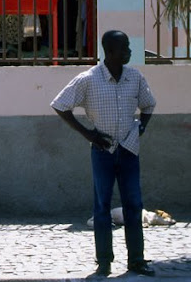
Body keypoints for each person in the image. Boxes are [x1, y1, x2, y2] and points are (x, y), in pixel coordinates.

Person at [50, 30, 156, 278]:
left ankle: (136, 260)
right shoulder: (88, 79)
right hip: (102, 152)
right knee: (102, 207)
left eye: (128, 47)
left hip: (129, 150)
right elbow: (59, 104)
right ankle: (104, 262)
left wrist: (141, 126)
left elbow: (149, 103)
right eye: (124, 48)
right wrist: (88, 134)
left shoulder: (135, 77)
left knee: (134, 205)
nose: (129, 52)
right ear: (110, 52)